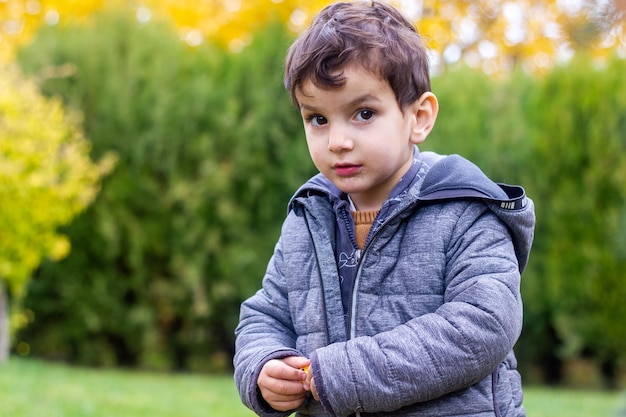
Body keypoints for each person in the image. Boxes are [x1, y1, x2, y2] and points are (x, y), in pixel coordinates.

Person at [234, 1, 535, 416]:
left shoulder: (465, 210)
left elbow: (483, 325)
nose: (337, 140)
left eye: (363, 113)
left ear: (419, 117)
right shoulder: (309, 218)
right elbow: (265, 313)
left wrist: (343, 374)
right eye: (317, 118)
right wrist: (264, 365)